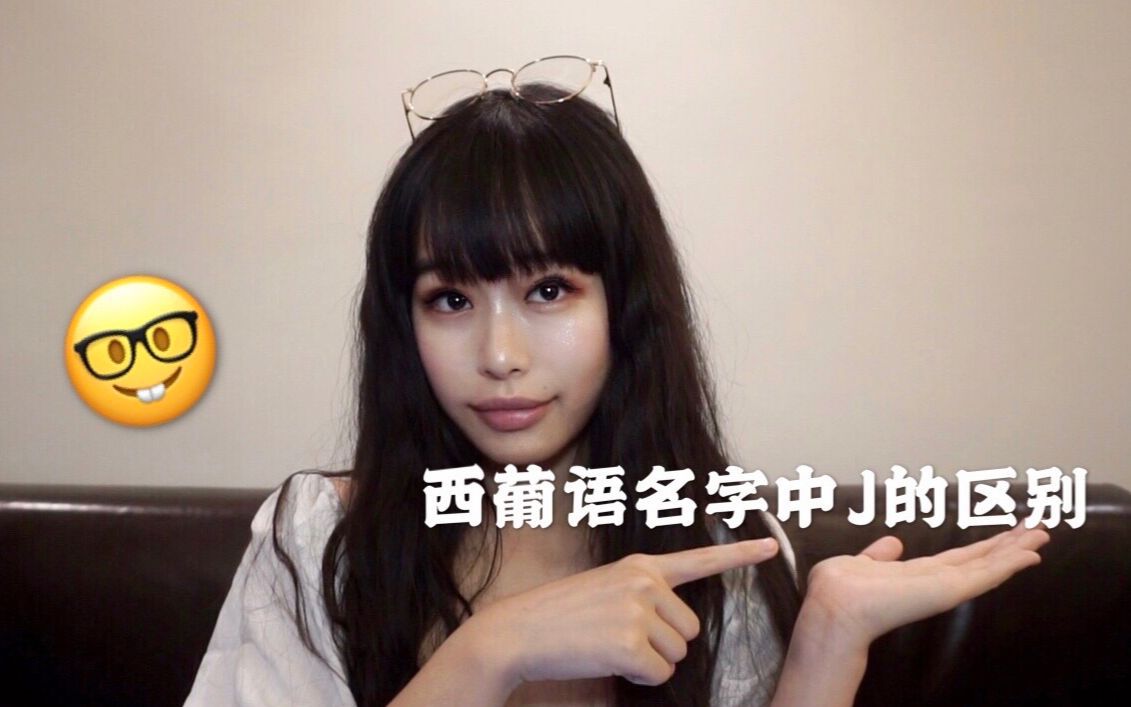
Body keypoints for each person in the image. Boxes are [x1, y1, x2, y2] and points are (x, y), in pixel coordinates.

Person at [185, 71, 1050, 707]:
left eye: (548, 290)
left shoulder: (717, 541)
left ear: (623, 305)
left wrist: (826, 640)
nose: (499, 354)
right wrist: (491, 650)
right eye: (449, 299)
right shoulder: (318, 537)